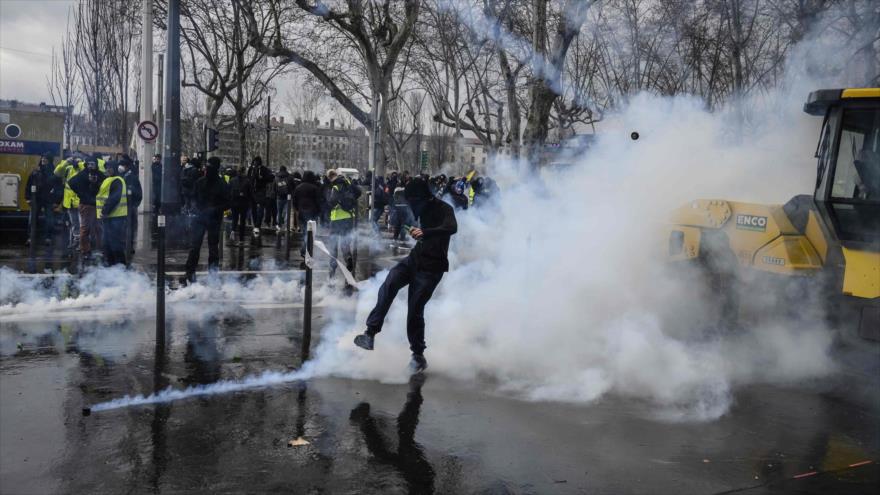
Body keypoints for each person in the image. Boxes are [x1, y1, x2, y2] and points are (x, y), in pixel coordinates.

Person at [353, 178, 457, 372]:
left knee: (415, 309)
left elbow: (452, 228)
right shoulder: (419, 208)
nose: (412, 206)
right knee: (390, 282)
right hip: (415, 259)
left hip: (432, 267)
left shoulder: (444, 209)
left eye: (413, 201)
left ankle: (418, 356)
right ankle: (370, 332)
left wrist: (426, 232)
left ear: (422, 198)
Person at [183, 157, 230, 284]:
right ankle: (190, 273)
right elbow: (193, 197)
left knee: (212, 248)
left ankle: (212, 275)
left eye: (210, 167)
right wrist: (195, 209)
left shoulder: (221, 184)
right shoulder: (200, 182)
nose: (207, 169)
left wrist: (215, 209)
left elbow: (228, 202)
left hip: (214, 219)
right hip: (200, 218)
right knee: (195, 246)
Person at [326, 169, 360, 284]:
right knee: (345, 241)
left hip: (336, 219)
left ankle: (332, 267)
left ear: (330, 177)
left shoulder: (335, 187)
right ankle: (348, 258)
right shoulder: (348, 183)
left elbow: (332, 202)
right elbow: (358, 192)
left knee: (334, 243)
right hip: (349, 217)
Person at [68, 160, 106, 262]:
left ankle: (98, 249)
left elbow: (106, 183)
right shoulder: (83, 174)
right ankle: (85, 250)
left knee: (98, 228)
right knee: (86, 228)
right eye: (89, 164)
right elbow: (71, 182)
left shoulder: (99, 174)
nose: (90, 166)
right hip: (86, 204)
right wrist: (82, 193)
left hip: (97, 204)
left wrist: (96, 183)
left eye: (92, 164)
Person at [96, 162, 128, 266]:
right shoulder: (109, 179)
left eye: (110, 168)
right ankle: (111, 263)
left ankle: (119, 264)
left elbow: (114, 198)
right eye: (106, 168)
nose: (107, 170)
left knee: (114, 241)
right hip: (110, 216)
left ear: (114, 168)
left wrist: (105, 211)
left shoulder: (117, 180)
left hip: (115, 216)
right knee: (107, 242)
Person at [25, 154, 62, 244]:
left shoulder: (54, 174)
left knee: (49, 220)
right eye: (42, 159)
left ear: (49, 161)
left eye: (45, 160)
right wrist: (28, 198)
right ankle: (31, 238)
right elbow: (29, 185)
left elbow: (59, 189)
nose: (43, 161)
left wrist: (57, 202)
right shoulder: (36, 172)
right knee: (33, 220)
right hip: (37, 199)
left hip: (48, 200)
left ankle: (47, 238)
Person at [54, 154, 86, 252]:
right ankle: (76, 240)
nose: (74, 162)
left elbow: (86, 169)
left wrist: (80, 162)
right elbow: (57, 172)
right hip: (70, 202)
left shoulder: (82, 168)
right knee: (74, 223)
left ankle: (82, 243)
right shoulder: (68, 168)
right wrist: (66, 162)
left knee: (82, 224)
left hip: (80, 201)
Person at [292, 170, 322, 266]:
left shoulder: (298, 188)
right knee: (311, 234)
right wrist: (319, 212)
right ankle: (305, 251)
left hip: (301, 213)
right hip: (312, 214)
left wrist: (297, 209)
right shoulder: (314, 188)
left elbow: (294, 201)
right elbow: (318, 201)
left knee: (304, 232)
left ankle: (305, 250)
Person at [120, 157, 142, 255]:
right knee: (127, 227)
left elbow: (137, 192)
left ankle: (128, 246)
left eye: (122, 165)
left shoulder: (131, 177)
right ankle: (126, 245)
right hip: (125, 206)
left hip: (129, 206)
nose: (120, 167)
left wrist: (134, 205)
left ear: (127, 167)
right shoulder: (123, 175)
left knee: (129, 227)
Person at [247, 156, 273, 237]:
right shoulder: (252, 169)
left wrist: (262, 179)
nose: (255, 164)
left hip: (258, 191)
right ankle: (256, 225)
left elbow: (270, 177)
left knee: (258, 208)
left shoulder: (260, 169)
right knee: (255, 208)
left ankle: (257, 225)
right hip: (256, 191)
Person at [226, 166, 251, 245]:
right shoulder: (247, 181)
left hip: (234, 203)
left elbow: (229, 191)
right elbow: (250, 193)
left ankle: (233, 231)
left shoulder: (232, 180)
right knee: (243, 221)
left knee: (235, 219)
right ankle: (241, 239)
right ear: (244, 172)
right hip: (244, 203)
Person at [273, 166, 294, 232]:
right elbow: (293, 186)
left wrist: (277, 194)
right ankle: (286, 226)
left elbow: (274, 187)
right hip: (288, 197)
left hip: (279, 197)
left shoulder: (276, 177)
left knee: (279, 212)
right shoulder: (290, 176)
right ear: (286, 169)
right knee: (287, 212)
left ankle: (279, 226)